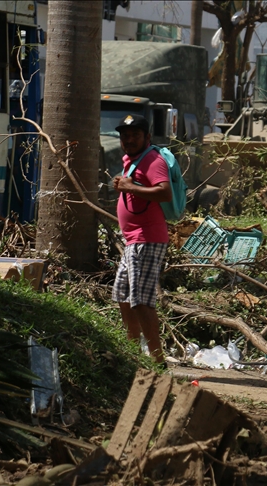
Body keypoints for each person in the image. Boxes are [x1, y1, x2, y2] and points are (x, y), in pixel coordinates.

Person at [111, 114, 172, 363]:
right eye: (125, 135)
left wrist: (129, 188)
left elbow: (164, 192)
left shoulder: (152, 160)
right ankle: (132, 354)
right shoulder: (132, 160)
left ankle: (157, 360)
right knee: (123, 297)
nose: (129, 139)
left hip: (147, 240)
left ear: (147, 137)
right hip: (133, 241)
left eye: (135, 135)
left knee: (141, 301)